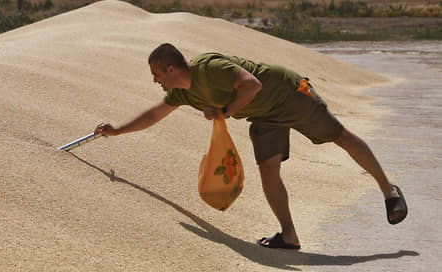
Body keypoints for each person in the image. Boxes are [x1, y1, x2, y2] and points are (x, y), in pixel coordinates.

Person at [95, 43, 408, 249]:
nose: (154, 80)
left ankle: (388, 191)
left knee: (340, 137)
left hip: (289, 93)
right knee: (268, 171)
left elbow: (252, 85)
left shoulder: (208, 67)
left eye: (155, 74)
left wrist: (225, 112)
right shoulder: (183, 95)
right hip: (263, 115)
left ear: (171, 69)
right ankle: (289, 236)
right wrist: (118, 130)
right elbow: (155, 113)